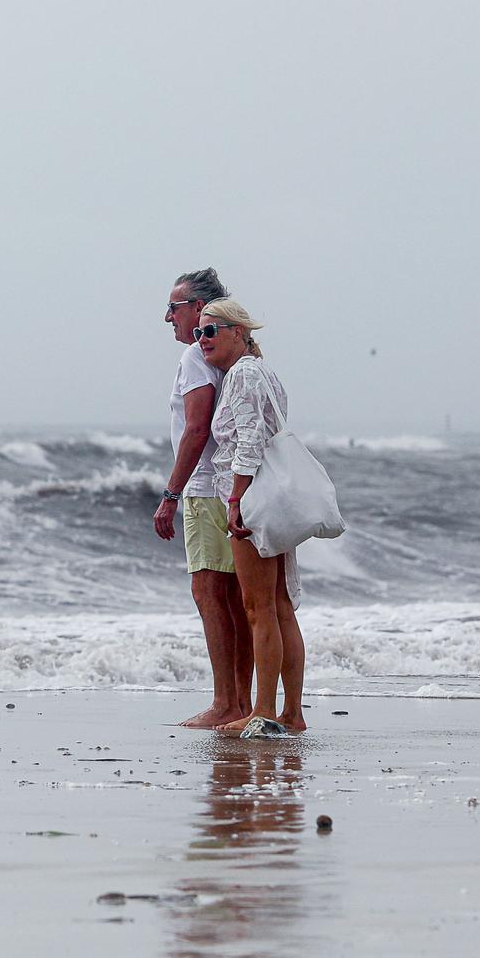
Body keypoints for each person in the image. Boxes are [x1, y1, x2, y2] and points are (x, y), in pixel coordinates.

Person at [196, 298, 307, 737]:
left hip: (255, 498)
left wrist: (236, 498)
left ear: (238, 332)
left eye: (211, 330)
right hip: (274, 497)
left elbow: (249, 439)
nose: (202, 339)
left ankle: (262, 712)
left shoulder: (242, 374)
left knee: (258, 607)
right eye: (200, 332)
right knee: (278, 606)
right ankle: (290, 714)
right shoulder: (263, 372)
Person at [154, 268, 253, 728]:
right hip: (230, 484)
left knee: (209, 594)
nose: (166, 317)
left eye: (173, 308)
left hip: (203, 488)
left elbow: (196, 428)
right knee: (235, 600)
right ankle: (243, 703)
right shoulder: (229, 354)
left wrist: (171, 493)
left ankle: (225, 704)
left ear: (197, 309)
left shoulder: (196, 356)